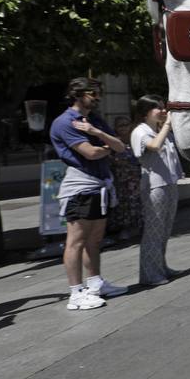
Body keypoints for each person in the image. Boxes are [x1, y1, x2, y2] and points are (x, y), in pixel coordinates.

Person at [50, 78, 127, 310]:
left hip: (99, 185)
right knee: (76, 242)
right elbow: (90, 153)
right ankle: (76, 293)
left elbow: (120, 146)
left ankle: (95, 284)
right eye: (93, 93)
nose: (97, 97)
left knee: (94, 240)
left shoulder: (94, 120)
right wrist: (106, 148)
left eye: (99, 92)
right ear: (77, 94)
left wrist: (96, 132)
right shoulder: (65, 122)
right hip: (80, 187)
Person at [131, 95, 184, 286]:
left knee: (165, 229)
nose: (163, 111)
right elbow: (154, 146)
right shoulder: (140, 131)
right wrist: (167, 125)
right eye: (158, 108)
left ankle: (160, 266)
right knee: (153, 231)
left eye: (164, 107)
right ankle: (150, 274)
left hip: (169, 183)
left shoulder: (160, 130)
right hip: (154, 186)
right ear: (146, 112)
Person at [105, 116, 143, 244]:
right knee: (123, 204)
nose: (123, 128)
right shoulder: (113, 141)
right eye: (120, 125)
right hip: (120, 178)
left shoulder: (135, 138)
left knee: (137, 202)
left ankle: (139, 226)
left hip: (136, 176)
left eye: (126, 124)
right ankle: (125, 228)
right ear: (115, 128)